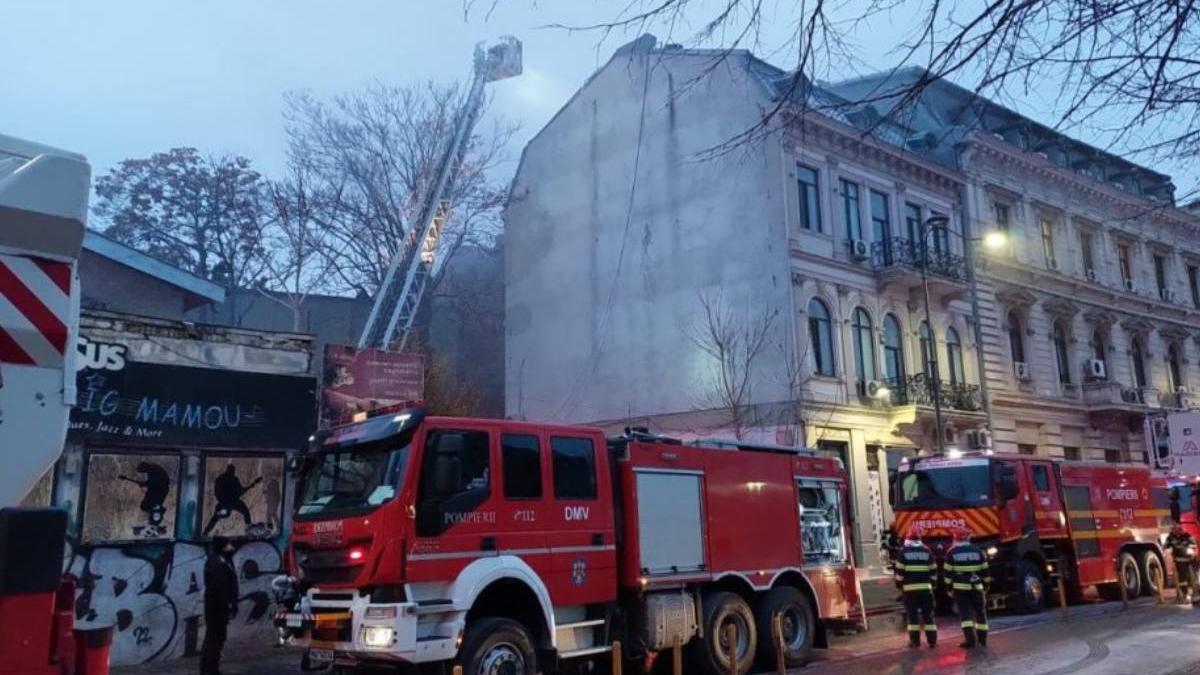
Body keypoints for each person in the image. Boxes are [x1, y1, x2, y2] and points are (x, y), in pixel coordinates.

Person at [942, 530, 990, 649]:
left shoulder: (951, 553)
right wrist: (986, 586)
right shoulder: (978, 551)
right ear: (968, 538)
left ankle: (970, 641)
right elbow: (986, 572)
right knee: (980, 613)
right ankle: (982, 640)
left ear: (956, 538)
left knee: (966, 615)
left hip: (960, 589)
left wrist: (949, 589)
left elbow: (947, 574)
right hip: (977, 588)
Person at [202, 536, 239, 675]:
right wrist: (227, 605)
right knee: (214, 638)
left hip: (220, 607)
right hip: (216, 608)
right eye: (229, 544)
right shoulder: (216, 562)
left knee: (218, 638)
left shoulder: (225, 560)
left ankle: (213, 668)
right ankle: (208, 670)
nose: (232, 546)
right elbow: (220, 588)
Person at [894, 531, 937, 648]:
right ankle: (932, 641)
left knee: (912, 616)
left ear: (908, 539)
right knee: (928, 615)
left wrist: (899, 585)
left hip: (909, 591)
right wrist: (932, 584)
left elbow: (899, 573)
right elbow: (933, 571)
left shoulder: (903, 552)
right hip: (926, 590)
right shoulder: (927, 551)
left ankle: (915, 641)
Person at [203, 465, 262, 536]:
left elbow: (217, 491)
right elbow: (240, 491)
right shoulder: (233, 479)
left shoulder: (221, 478)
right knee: (245, 512)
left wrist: (221, 500)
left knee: (215, 518)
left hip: (226, 503)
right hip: (231, 502)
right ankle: (249, 527)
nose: (233, 472)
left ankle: (206, 532)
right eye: (233, 471)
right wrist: (251, 485)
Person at [119, 461, 171, 527]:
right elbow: (152, 483)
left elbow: (154, 483)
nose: (143, 473)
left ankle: (154, 520)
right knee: (148, 506)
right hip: (159, 490)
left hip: (160, 490)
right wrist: (145, 484)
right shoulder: (153, 469)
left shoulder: (153, 469)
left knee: (148, 506)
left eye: (142, 471)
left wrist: (145, 484)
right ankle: (154, 519)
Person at [1166, 525, 1198, 604]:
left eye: (1179, 529)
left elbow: (1193, 544)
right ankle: (1185, 595)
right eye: (1175, 529)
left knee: (1193, 578)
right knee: (1182, 580)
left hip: (1189, 560)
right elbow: (1167, 546)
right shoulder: (1170, 538)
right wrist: (1168, 551)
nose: (1177, 530)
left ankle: (1196, 594)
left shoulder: (1187, 536)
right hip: (1179, 561)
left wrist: (1192, 550)